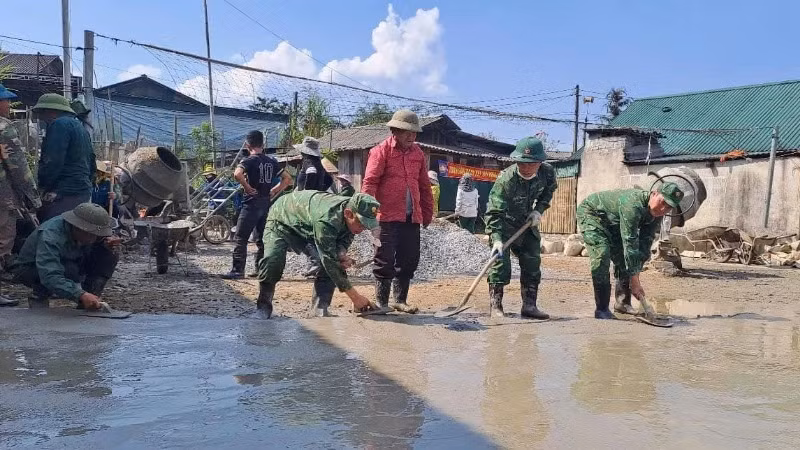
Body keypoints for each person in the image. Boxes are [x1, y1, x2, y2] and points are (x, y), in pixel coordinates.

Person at [255, 191, 381, 318]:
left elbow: (343, 241)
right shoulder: (327, 218)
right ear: (348, 214)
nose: (362, 229)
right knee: (273, 260)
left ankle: (320, 309)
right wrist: (356, 298)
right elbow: (329, 261)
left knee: (332, 262)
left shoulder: (351, 216)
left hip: (308, 226)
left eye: (366, 226)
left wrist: (341, 254)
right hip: (281, 220)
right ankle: (263, 307)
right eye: (360, 224)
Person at [362, 109, 434, 313]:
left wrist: (427, 212)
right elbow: (370, 183)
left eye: (414, 133)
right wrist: (366, 213)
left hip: (411, 218)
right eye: (406, 132)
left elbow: (424, 186)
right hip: (385, 217)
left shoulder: (418, 153)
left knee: (409, 259)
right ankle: (382, 303)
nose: (411, 136)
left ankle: (400, 300)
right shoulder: (381, 151)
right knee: (384, 260)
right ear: (394, 130)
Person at [577, 182, 684, 319]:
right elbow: (630, 243)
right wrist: (635, 282)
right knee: (602, 254)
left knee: (624, 258)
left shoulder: (657, 214)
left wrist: (636, 276)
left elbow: (645, 244)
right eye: (662, 202)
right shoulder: (633, 205)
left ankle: (623, 303)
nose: (663, 209)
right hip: (592, 214)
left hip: (614, 222)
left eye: (669, 207)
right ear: (655, 194)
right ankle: (602, 309)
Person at [485, 137, 557, 319]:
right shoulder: (506, 180)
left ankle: (529, 306)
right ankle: (496, 307)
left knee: (532, 261)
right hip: (504, 223)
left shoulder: (547, 173)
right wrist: (497, 238)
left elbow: (549, 192)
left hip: (526, 223)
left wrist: (538, 211)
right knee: (500, 263)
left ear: (540, 162)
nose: (524, 168)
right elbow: (494, 212)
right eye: (521, 163)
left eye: (530, 164)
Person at [10, 203, 120, 310]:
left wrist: (104, 245)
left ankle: (91, 298)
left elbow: (97, 247)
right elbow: (50, 274)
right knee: (68, 270)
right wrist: (78, 294)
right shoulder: (50, 236)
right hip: (31, 269)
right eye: (92, 235)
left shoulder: (84, 235)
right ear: (78, 228)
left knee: (108, 255)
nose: (95, 238)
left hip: (72, 259)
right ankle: (40, 294)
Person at [222, 130, 291, 279]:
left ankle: (237, 270)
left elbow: (237, 174)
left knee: (241, 237)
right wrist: (275, 190)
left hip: (251, 204)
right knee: (261, 239)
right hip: (266, 204)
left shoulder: (249, 160)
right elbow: (287, 178)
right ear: (263, 144)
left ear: (248, 145)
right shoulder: (272, 161)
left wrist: (247, 187)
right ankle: (260, 269)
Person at [0, 83, 41, 307]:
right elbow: (18, 167)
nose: (8, 105)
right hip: (2, 196)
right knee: (2, 240)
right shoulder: (4, 128)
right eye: (5, 100)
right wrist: (32, 197)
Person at [33, 93, 95, 222]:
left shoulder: (59, 125)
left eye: (42, 114)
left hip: (63, 192)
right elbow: (92, 163)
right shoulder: (81, 128)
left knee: (52, 231)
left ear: (51, 112)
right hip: (81, 191)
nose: (42, 118)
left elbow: (52, 161)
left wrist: (43, 186)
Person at [294, 136, 334, 278]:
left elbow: (311, 173)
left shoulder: (308, 162)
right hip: (317, 202)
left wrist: (306, 193)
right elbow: (329, 179)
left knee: (300, 232)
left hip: (307, 204)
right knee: (312, 233)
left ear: (304, 152)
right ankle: (316, 264)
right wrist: (320, 190)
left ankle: (315, 261)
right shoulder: (319, 163)